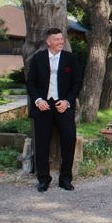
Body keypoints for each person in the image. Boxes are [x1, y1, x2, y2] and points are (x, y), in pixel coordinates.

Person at [26, 28, 83, 192]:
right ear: (48, 42)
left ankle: (65, 179)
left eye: (61, 39)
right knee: (42, 143)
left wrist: (67, 101)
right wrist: (38, 100)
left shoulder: (70, 59)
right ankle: (43, 179)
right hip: (43, 107)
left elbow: (77, 82)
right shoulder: (38, 59)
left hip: (63, 106)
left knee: (69, 139)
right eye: (56, 39)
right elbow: (31, 83)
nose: (60, 41)